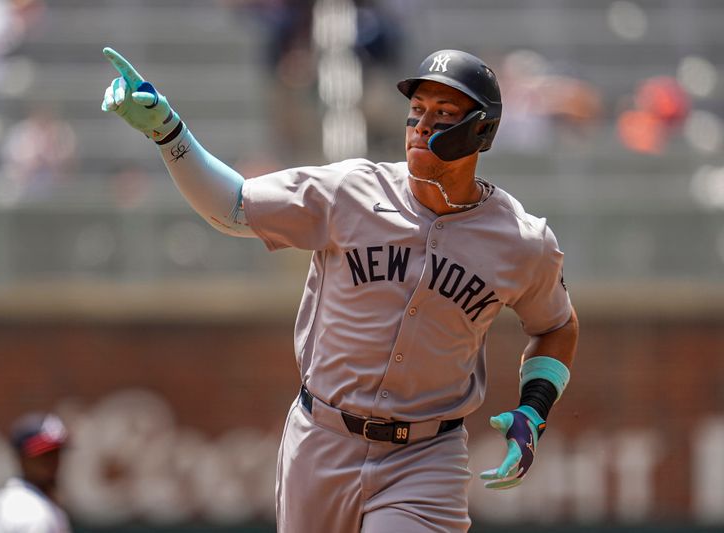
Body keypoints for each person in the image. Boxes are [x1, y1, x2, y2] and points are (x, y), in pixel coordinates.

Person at [101, 47, 579, 532]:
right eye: (417, 111)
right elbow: (233, 206)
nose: (421, 125)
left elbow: (557, 326)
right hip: (321, 439)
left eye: (444, 114)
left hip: (426, 456)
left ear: (481, 129)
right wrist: (169, 133)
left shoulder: (522, 242)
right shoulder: (350, 191)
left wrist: (533, 410)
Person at [0, 412, 72, 533]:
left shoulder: (20, 499)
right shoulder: (29, 512)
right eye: (43, 455)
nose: (52, 462)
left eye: (55, 453)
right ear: (22, 458)